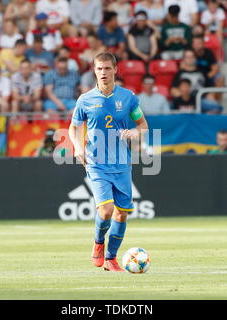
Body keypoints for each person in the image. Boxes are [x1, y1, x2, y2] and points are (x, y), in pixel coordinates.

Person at [69, 51, 149, 272]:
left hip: (122, 163)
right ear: (94, 71)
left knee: (121, 213)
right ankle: (97, 244)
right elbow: (73, 127)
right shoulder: (85, 100)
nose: (103, 73)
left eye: (107, 68)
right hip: (96, 162)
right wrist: (77, 147)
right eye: (99, 69)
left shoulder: (129, 97)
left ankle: (111, 259)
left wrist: (134, 133)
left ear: (115, 70)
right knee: (106, 210)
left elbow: (143, 125)